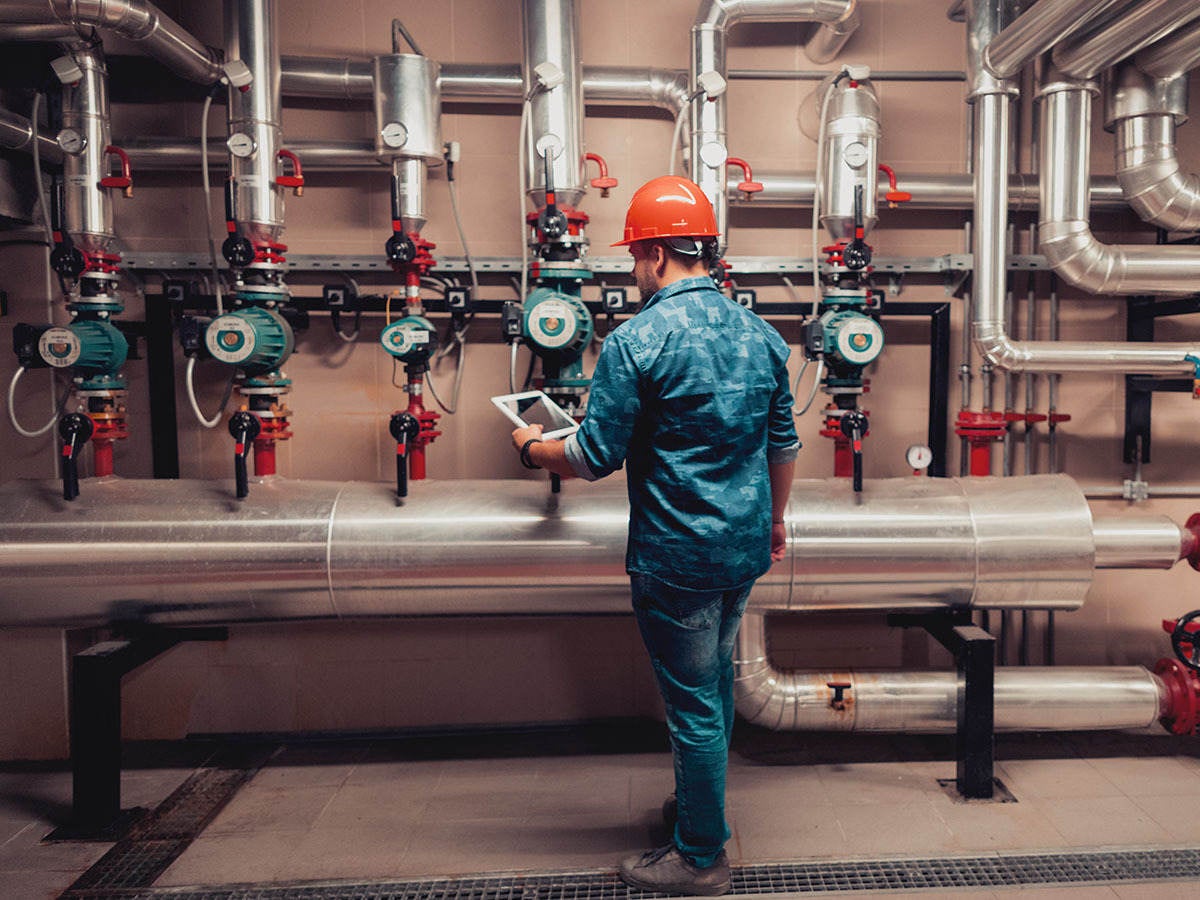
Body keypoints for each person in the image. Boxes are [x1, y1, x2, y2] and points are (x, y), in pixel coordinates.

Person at [510, 174, 799, 896]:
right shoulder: (762, 335)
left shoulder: (636, 342)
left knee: (694, 703)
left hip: (677, 560)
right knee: (716, 687)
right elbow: (784, 443)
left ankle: (700, 857)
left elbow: (591, 455)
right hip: (741, 551)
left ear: (659, 255)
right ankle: (701, 809)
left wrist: (531, 445)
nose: (633, 271)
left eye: (636, 256)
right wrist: (775, 522)